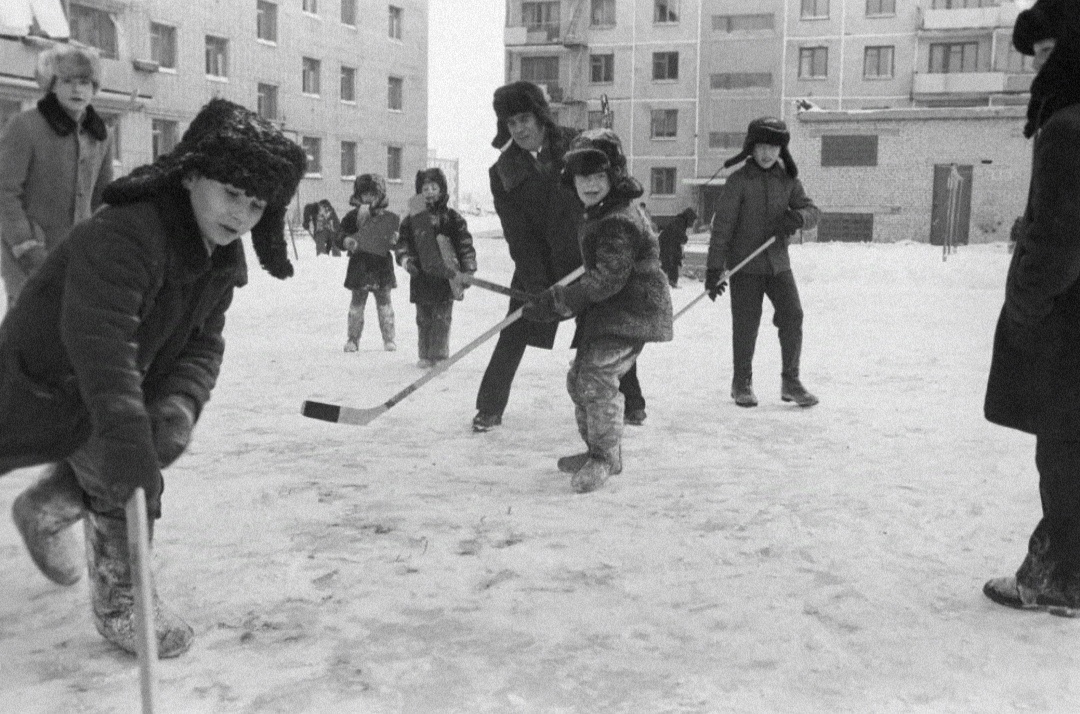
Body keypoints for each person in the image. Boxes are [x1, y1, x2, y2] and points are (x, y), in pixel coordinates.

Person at [0, 98, 306, 657]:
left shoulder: (219, 256)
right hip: (41, 378)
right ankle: (119, 592)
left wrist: (180, 403)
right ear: (190, 174)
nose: (241, 215)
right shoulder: (128, 233)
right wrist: (126, 433)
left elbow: (202, 342)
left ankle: (71, 540)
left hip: (112, 385)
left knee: (138, 459)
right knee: (124, 465)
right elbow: (100, 342)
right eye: (231, 193)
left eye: (257, 204)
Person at [474, 80, 647, 432]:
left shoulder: (577, 145)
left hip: (589, 257)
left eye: (524, 118)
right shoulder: (503, 173)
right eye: (511, 123)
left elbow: (614, 187)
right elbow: (517, 236)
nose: (520, 129)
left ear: (540, 117)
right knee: (514, 331)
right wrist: (538, 284)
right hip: (539, 264)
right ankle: (489, 408)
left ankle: (632, 402)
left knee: (604, 329)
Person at [983, 0, 1080, 615]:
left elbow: (1059, 238)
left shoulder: (1067, 127)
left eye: (1046, 53)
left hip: (1067, 319)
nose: (1038, 70)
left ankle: (1058, 577)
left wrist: (1023, 304)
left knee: (1063, 444)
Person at [523, 129, 672, 493]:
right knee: (580, 381)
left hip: (631, 313)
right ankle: (598, 449)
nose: (589, 184)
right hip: (612, 312)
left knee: (595, 379)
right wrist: (559, 298)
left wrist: (566, 300)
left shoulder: (618, 220)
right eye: (581, 176)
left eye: (598, 176)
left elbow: (608, 279)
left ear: (614, 176)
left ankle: (604, 458)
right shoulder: (601, 213)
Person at [705, 117, 821, 408]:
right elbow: (723, 228)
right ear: (751, 149)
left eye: (773, 147)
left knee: (793, 316)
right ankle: (741, 381)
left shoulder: (789, 181)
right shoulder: (738, 182)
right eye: (761, 147)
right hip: (745, 267)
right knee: (746, 324)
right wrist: (713, 268)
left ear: (781, 150)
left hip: (778, 265)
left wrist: (798, 218)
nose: (767, 154)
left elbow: (813, 210)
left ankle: (790, 380)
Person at [0, 43, 113, 309]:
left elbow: (103, 197)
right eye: (67, 81)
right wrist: (26, 246)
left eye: (85, 82)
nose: (77, 90)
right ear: (51, 83)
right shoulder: (24, 126)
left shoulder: (99, 135)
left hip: (79, 260)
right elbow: (5, 192)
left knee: (66, 340)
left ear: (95, 87)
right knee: (27, 337)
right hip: (29, 261)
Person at [396, 167, 477, 367]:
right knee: (423, 319)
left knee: (441, 318)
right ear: (419, 192)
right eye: (425, 188)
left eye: (434, 187)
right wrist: (407, 261)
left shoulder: (452, 218)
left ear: (441, 190)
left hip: (445, 279)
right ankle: (425, 354)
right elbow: (402, 244)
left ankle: (440, 356)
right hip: (421, 277)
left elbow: (464, 245)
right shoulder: (412, 219)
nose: (430, 191)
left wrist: (468, 269)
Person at [336, 174, 399, 352]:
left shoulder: (387, 218)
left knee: (385, 304)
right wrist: (346, 241)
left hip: (381, 267)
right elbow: (339, 235)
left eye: (373, 194)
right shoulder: (352, 217)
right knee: (357, 304)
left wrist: (395, 240)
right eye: (365, 194)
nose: (369, 198)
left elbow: (398, 241)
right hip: (360, 266)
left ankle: (389, 339)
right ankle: (353, 339)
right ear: (358, 195)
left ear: (380, 195)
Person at [659, 207, 697, 288]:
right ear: (689, 218)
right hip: (666, 243)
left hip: (668, 243)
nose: (693, 223)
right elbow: (677, 234)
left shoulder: (681, 221)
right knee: (669, 261)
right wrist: (684, 238)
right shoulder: (680, 221)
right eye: (692, 221)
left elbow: (677, 238)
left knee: (672, 261)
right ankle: (663, 280)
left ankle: (670, 280)